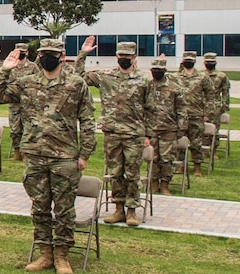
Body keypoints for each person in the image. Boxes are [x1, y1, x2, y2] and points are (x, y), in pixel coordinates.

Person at [0, 38, 94, 274]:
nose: (47, 57)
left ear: (61, 55)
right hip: (35, 154)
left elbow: (88, 121)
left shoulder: (76, 84)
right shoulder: (26, 83)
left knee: (64, 209)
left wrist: (85, 153)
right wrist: (4, 70)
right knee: (39, 208)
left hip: (65, 156)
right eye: (43, 53)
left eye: (52, 53)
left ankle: (62, 256)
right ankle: (45, 253)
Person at [78, 37, 151, 225]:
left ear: (134, 57)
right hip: (112, 132)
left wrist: (148, 135)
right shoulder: (106, 76)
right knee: (116, 173)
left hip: (134, 134)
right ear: (116, 56)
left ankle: (132, 210)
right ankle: (119, 208)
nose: (124, 58)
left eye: (128, 56)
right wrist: (83, 53)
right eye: (121, 55)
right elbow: (78, 76)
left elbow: (151, 109)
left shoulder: (144, 81)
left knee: (133, 174)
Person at [145, 54, 184, 194]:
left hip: (169, 129)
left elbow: (181, 109)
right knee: (153, 158)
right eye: (154, 69)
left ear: (164, 70)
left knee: (167, 159)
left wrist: (181, 128)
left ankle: (165, 184)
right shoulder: (146, 86)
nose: (156, 72)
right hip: (151, 129)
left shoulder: (174, 88)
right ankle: (154, 183)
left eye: (159, 69)